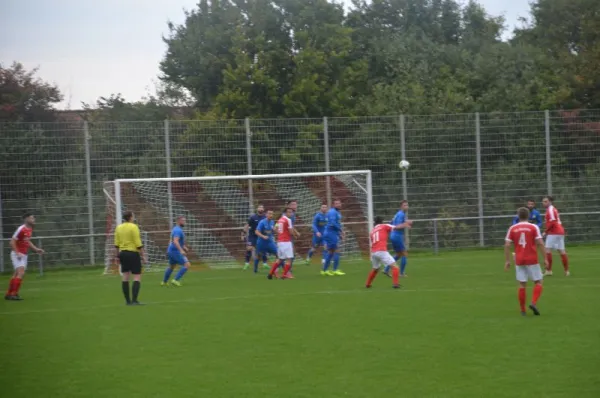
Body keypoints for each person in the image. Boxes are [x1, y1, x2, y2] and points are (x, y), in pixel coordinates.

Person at [505, 207, 547, 316]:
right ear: (528, 216)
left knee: (522, 285)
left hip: (519, 259)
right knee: (538, 282)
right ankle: (533, 303)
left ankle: (523, 310)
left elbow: (507, 245)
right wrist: (546, 258)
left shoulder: (513, 228)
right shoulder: (533, 227)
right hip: (532, 258)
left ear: (518, 216)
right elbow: (540, 243)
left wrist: (507, 261)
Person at [5, 213, 44, 301]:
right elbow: (12, 242)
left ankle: (9, 294)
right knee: (21, 272)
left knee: (16, 273)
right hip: (17, 254)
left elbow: (27, 241)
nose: (34, 220)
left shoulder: (30, 229)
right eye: (32, 218)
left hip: (23, 254)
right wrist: (17, 252)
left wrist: (36, 249)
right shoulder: (21, 229)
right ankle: (14, 294)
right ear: (26, 219)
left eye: (34, 218)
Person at [366, 216, 412, 289]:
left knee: (375, 269)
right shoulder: (384, 226)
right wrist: (405, 224)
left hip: (374, 252)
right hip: (381, 251)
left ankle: (368, 284)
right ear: (382, 222)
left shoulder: (372, 231)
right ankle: (395, 284)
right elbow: (396, 227)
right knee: (395, 267)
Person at [114, 211, 146, 305]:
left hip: (123, 253)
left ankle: (128, 301)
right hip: (132, 253)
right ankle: (134, 300)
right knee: (136, 276)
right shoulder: (134, 227)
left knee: (125, 276)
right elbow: (138, 242)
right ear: (131, 217)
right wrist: (143, 256)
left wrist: (117, 256)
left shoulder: (118, 227)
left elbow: (116, 243)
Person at [542, 196, 569, 276]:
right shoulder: (552, 209)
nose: (543, 203)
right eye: (543, 201)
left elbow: (553, 222)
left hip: (554, 232)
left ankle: (549, 270)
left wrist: (545, 232)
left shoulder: (550, 210)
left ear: (550, 202)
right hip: (560, 231)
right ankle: (566, 271)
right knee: (561, 250)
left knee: (547, 249)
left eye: (545, 201)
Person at [268, 207, 299, 280]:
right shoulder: (288, 220)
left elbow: (275, 229)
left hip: (279, 242)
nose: (290, 214)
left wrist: (280, 233)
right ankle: (284, 275)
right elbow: (291, 232)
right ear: (285, 213)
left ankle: (270, 273)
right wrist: (295, 235)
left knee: (279, 259)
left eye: (291, 212)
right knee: (289, 259)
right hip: (286, 242)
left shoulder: (280, 220)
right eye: (289, 212)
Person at [384, 200, 411, 277]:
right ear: (401, 206)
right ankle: (401, 273)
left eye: (407, 205)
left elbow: (391, 223)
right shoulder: (401, 214)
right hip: (397, 236)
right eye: (405, 205)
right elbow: (397, 226)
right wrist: (406, 224)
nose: (407, 207)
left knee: (399, 254)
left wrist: (406, 223)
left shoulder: (397, 214)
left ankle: (386, 269)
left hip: (393, 236)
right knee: (404, 254)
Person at [162, 216, 191, 286]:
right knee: (187, 265)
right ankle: (175, 280)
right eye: (183, 221)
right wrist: (181, 250)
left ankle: (164, 282)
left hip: (171, 250)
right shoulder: (178, 230)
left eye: (185, 220)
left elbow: (173, 241)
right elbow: (175, 241)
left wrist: (184, 247)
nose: (185, 222)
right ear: (178, 221)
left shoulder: (175, 229)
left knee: (172, 266)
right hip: (175, 251)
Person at [321, 199, 345, 276]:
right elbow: (332, 223)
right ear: (333, 205)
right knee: (336, 250)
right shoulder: (332, 212)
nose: (338, 204)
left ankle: (324, 270)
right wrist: (341, 230)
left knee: (331, 252)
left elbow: (335, 223)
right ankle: (335, 270)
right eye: (336, 203)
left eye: (339, 203)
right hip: (330, 234)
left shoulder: (337, 212)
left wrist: (339, 233)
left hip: (332, 233)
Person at [242, 205, 268, 271]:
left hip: (261, 235)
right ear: (257, 209)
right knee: (249, 248)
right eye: (259, 207)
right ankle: (247, 263)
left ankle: (265, 264)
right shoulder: (253, 217)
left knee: (263, 249)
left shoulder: (265, 217)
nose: (261, 209)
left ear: (263, 209)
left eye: (262, 207)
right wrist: (243, 233)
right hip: (252, 236)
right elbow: (247, 225)